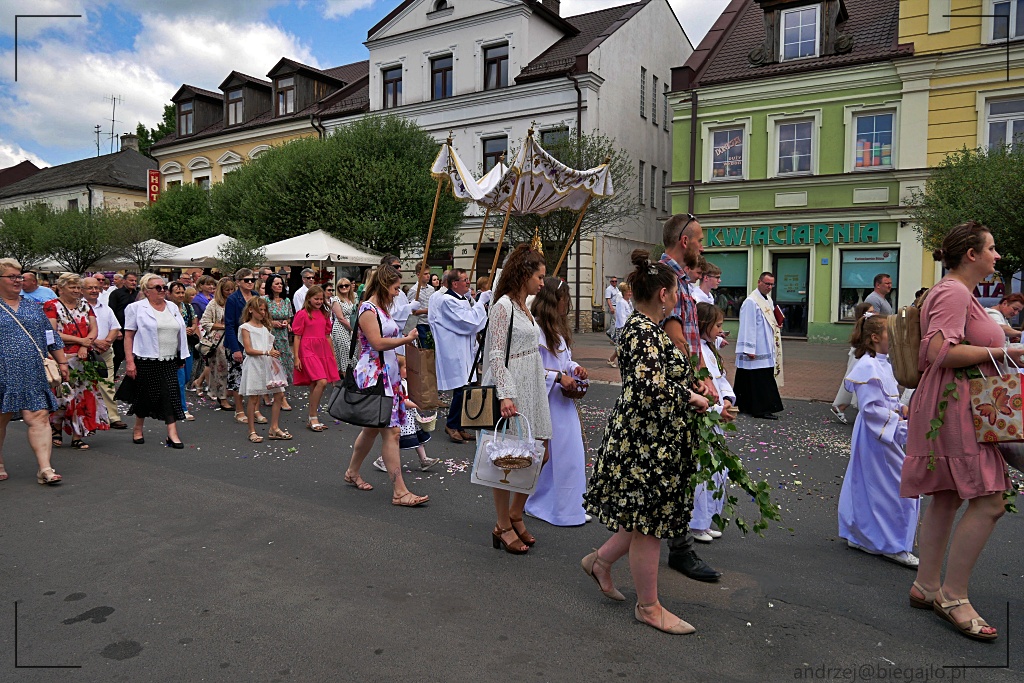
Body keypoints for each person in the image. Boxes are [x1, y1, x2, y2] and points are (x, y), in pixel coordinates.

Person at [582, 249, 710, 635]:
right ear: (663, 295)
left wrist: (694, 385)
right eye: (676, 292)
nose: (679, 298)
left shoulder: (649, 329)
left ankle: (600, 562)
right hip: (644, 444)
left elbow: (662, 375)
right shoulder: (641, 329)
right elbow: (649, 387)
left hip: (653, 441)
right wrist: (691, 397)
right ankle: (649, 607)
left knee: (641, 519)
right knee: (649, 525)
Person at [902, 221, 1018, 642]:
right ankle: (952, 596)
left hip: (952, 401)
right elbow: (938, 351)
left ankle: (927, 586)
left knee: (948, 495)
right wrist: (1005, 349)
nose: (997, 255)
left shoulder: (954, 291)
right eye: (992, 248)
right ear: (972, 254)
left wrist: (1002, 347)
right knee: (990, 501)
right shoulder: (953, 291)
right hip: (955, 405)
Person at [658, 212, 722, 582]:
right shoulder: (666, 278)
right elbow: (674, 335)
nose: (702, 246)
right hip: (675, 387)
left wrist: (705, 374)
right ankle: (679, 548)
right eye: (699, 240)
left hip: (685, 383)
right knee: (674, 469)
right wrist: (697, 380)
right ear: (685, 241)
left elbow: (690, 335)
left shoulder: (681, 279)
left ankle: (675, 544)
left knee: (678, 468)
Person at [482, 244, 551, 554]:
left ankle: (515, 513)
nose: (542, 283)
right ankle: (502, 524)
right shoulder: (503, 306)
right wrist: (506, 393)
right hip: (513, 385)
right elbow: (496, 354)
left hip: (531, 383)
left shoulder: (524, 305)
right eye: (539, 276)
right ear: (524, 275)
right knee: (504, 458)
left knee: (539, 453)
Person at [343, 265, 428, 506]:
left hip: (386, 375)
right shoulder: (368, 309)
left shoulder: (380, 309)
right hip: (375, 376)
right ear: (384, 285)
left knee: (372, 429)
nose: (397, 293)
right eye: (395, 288)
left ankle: (352, 472)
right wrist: (406, 339)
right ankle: (399, 492)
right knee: (392, 432)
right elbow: (377, 343)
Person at [840, 313, 919, 567]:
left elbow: (886, 400)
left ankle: (863, 535)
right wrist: (904, 427)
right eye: (889, 333)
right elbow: (872, 410)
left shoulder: (882, 363)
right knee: (897, 487)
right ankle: (893, 544)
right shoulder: (868, 367)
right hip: (878, 435)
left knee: (871, 485)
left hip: (879, 432)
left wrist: (900, 409)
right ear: (875, 338)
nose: (895, 337)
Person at [523, 278, 590, 526]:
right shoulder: (535, 330)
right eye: (565, 299)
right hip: (545, 402)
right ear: (554, 301)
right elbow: (529, 369)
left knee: (570, 456)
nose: (568, 304)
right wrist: (559, 377)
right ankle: (540, 504)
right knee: (550, 456)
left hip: (562, 404)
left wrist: (575, 369)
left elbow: (565, 361)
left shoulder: (558, 331)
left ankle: (569, 507)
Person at [0, 258, 70, 485]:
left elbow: (50, 336)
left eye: (19, 276)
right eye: (12, 277)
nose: (17, 281)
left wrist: (62, 362)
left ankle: (45, 468)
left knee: (39, 417)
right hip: (3, 371)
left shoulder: (32, 306)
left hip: (33, 371)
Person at [115, 274, 189, 449]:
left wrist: (181, 355)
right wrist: (130, 361)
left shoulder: (172, 307)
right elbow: (128, 336)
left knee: (170, 395)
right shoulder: (136, 308)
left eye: (164, 287)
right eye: (158, 287)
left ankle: (172, 433)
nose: (162, 290)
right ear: (147, 291)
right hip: (146, 358)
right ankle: (138, 428)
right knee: (144, 396)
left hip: (169, 359)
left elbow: (180, 333)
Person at [44, 273, 108, 449]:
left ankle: (77, 435)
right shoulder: (51, 306)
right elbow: (52, 332)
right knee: (62, 396)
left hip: (83, 358)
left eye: (78, 287)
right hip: (61, 357)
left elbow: (94, 328)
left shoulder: (85, 305)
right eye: (72, 287)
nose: (76, 290)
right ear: (61, 288)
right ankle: (56, 428)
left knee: (82, 396)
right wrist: (81, 341)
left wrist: (85, 345)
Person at [690, 302, 736, 542]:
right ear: (704, 325)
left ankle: (707, 520)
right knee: (703, 470)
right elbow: (701, 387)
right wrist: (717, 408)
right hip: (704, 417)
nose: (720, 330)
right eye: (717, 325)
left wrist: (727, 399)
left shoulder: (710, 349)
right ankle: (696, 523)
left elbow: (721, 380)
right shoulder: (695, 351)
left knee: (718, 470)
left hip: (715, 416)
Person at [429, 269, 489, 444]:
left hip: (465, 348)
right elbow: (469, 322)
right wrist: (480, 302)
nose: (468, 282)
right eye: (464, 280)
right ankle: (452, 425)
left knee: (466, 386)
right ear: (455, 284)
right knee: (461, 388)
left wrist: (474, 302)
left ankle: (460, 425)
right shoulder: (447, 300)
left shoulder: (461, 299)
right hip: (454, 349)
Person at [372, 356, 439, 472]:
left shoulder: (404, 382)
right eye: (405, 368)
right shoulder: (396, 384)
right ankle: (382, 460)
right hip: (401, 416)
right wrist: (417, 405)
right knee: (397, 440)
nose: (409, 371)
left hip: (409, 415)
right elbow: (402, 402)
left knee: (416, 437)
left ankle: (424, 460)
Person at [238, 297, 290, 443]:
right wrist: (267, 353)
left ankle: (274, 427)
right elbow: (248, 350)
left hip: (267, 363)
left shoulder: (265, 328)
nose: (262, 312)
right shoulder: (245, 327)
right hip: (254, 364)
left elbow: (270, 346)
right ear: (250, 310)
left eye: (264, 310)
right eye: (259, 310)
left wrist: (274, 360)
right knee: (254, 397)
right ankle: (252, 431)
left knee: (279, 394)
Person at [735, 272, 784, 420]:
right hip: (756, 347)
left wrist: (777, 324)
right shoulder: (751, 301)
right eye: (767, 284)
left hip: (766, 344)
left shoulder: (768, 299)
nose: (769, 287)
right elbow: (747, 326)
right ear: (759, 282)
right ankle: (762, 409)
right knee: (759, 379)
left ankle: (744, 405)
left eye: (772, 284)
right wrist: (749, 348)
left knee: (749, 378)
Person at [291, 285, 339, 432]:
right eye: (316, 299)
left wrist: (332, 355)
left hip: (322, 349)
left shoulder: (324, 314)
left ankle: (312, 416)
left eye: (321, 299)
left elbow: (327, 336)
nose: (319, 301)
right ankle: (313, 417)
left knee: (315, 384)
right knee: (322, 381)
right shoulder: (302, 314)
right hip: (307, 349)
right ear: (309, 298)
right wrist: (296, 357)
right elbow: (297, 336)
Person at [83, 277, 127, 430]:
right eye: (90, 288)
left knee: (107, 384)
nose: (94, 290)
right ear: (82, 290)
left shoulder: (106, 308)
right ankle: (89, 418)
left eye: (96, 287)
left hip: (105, 351)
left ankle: (113, 417)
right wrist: (95, 342)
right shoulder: (78, 308)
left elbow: (115, 327)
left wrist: (107, 342)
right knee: (85, 385)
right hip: (86, 351)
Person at [224, 268, 263, 426]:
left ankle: (255, 409)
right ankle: (239, 410)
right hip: (238, 341)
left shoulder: (256, 296)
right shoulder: (233, 299)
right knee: (237, 377)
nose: (250, 283)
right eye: (246, 280)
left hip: (255, 341)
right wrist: (235, 349)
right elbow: (229, 325)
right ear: (238, 282)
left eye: (252, 280)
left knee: (257, 376)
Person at [829, 302, 875, 424]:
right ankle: (855, 408)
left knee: (853, 381)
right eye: (871, 311)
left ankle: (842, 406)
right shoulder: (864, 328)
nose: (874, 313)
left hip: (860, 356)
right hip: (860, 357)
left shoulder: (864, 327)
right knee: (856, 381)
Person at [199, 278, 237, 411]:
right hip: (219, 341)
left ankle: (229, 394)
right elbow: (205, 322)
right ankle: (222, 397)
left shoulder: (235, 302)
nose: (230, 292)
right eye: (227, 290)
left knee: (233, 369)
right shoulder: (214, 303)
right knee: (221, 369)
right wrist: (224, 326)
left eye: (232, 289)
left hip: (234, 339)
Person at [263, 273, 295, 412]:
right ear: (270, 286)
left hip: (283, 337)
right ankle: (281, 397)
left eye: (281, 283)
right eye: (277, 283)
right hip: (269, 335)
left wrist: (286, 322)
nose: (280, 286)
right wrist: (271, 322)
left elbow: (289, 317)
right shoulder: (264, 300)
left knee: (285, 363)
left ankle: (274, 393)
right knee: (275, 364)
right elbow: (260, 318)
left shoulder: (286, 301)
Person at [168, 281, 198, 421]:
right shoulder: (167, 308)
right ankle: (182, 408)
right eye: (177, 292)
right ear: (170, 294)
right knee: (179, 379)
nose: (180, 295)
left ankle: (174, 400)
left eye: (182, 292)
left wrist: (192, 328)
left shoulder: (188, 306)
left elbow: (194, 320)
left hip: (188, 346)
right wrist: (181, 330)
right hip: (174, 347)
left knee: (186, 377)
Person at [109, 272, 139, 375]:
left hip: (135, 329)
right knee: (119, 355)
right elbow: (111, 312)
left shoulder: (138, 294)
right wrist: (116, 330)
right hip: (120, 328)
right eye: (131, 280)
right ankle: (112, 376)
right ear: (124, 281)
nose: (133, 283)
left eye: (135, 281)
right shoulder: (116, 294)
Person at [329, 276, 357, 377]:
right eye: (341, 286)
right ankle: (346, 377)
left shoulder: (353, 298)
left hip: (352, 327)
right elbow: (340, 318)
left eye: (346, 285)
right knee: (346, 352)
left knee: (353, 352)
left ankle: (352, 376)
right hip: (341, 328)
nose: (344, 287)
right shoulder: (336, 299)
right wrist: (353, 329)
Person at [607, 281, 633, 368]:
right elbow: (621, 316)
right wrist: (625, 328)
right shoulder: (621, 302)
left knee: (624, 345)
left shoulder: (629, 302)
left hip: (628, 326)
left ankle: (616, 360)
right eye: (628, 292)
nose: (630, 293)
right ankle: (612, 360)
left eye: (630, 291)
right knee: (621, 346)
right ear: (624, 292)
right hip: (622, 327)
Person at [406, 262, 435, 331]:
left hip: (430, 322)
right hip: (419, 323)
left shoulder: (431, 289)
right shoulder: (414, 290)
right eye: (425, 274)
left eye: (429, 273)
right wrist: (424, 311)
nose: (428, 276)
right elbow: (409, 310)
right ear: (418, 275)